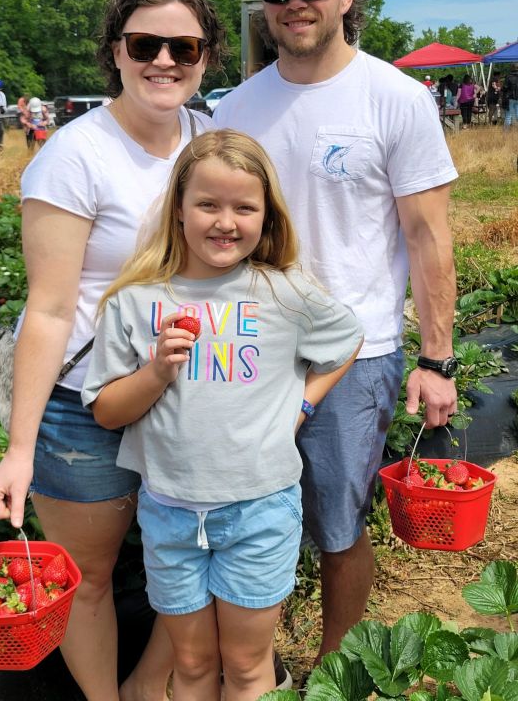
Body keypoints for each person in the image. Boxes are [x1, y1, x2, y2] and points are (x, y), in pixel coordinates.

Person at [214, 0, 458, 665]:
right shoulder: (235, 109)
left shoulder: (395, 98)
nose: (295, 2)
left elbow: (428, 239)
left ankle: (335, 665)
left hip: (353, 353)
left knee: (337, 524)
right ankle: (251, 666)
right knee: (243, 519)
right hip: (248, 349)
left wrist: (437, 360)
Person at [0, 0, 225, 701]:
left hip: (180, 389)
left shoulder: (207, 136)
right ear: (114, 53)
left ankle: (151, 688)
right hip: (81, 402)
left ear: (206, 56)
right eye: (144, 43)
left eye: (183, 46)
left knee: (186, 559)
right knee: (88, 576)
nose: (164, 61)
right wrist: (19, 450)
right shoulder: (73, 156)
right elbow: (51, 310)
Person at [81, 129, 364, 701]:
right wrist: (156, 372)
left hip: (260, 509)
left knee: (245, 661)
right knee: (189, 662)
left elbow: (348, 338)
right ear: (178, 210)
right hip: (170, 513)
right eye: (207, 204)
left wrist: (302, 404)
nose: (225, 221)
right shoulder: (135, 301)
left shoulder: (283, 293)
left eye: (244, 207)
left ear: (268, 216)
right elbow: (108, 412)